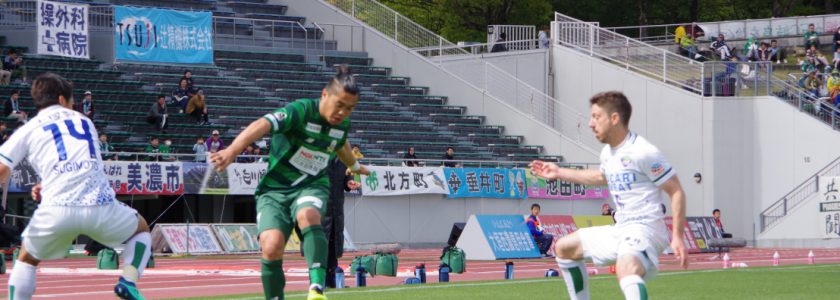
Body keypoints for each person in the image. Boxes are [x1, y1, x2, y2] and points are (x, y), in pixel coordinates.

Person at [209, 65, 371, 300]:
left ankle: (316, 288)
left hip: (312, 184)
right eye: (340, 105)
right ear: (325, 95)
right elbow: (262, 124)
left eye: (350, 109)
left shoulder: (340, 125)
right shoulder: (301, 111)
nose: (343, 113)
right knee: (271, 246)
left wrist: (355, 167)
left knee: (308, 215)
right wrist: (233, 150)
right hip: (275, 190)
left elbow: (342, 145)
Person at [0, 72, 152, 300]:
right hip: (100, 206)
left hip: (57, 209)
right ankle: (128, 281)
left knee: (27, 259)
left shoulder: (28, 129)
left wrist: (47, 185)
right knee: (141, 230)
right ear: (62, 100)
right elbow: (78, 163)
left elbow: (3, 169)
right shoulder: (85, 121)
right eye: (73, 101)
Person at [530, 91, 688, 300]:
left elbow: (676, 190)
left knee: (625, 269)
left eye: (596, 116)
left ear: (614, 119)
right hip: (621, 229)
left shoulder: (643, 152)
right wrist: (558, 172)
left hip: (645, 230)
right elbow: (599, 177)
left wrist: (677, 236)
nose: (590, 123)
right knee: (564, 248)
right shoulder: (608, 153)